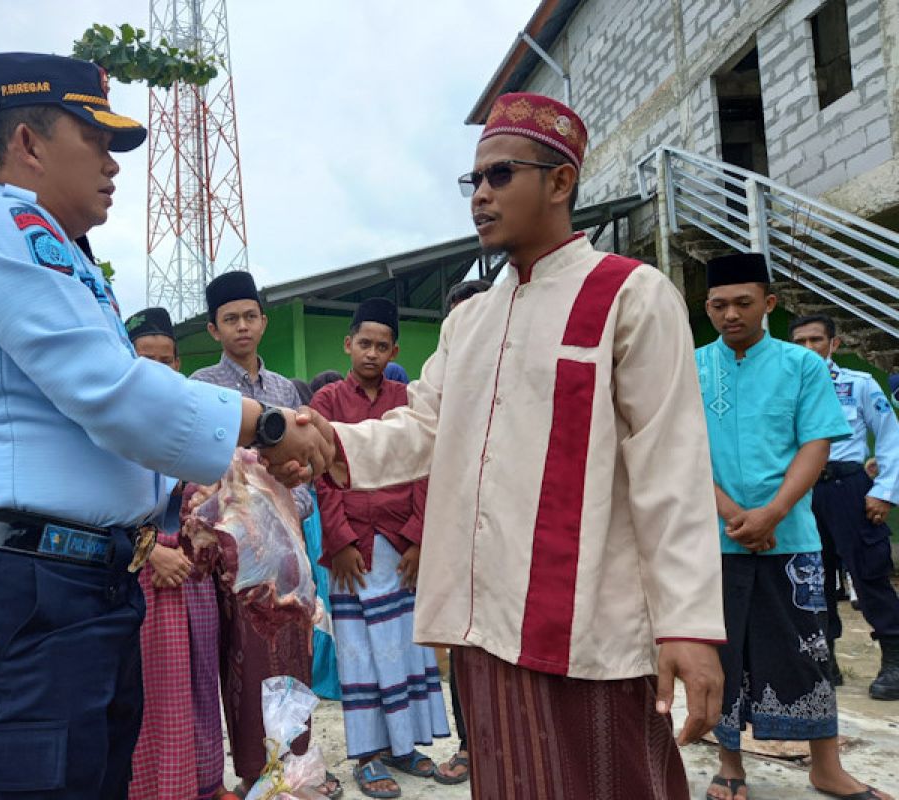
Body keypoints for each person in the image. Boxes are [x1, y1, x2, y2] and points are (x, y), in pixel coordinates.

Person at [0, 52, 332, 800]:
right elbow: (113, 395)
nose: (113, 165)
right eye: (95, 139)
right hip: (21, 589)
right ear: (28, 141)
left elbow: (118, 428)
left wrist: (241, 466)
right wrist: (268, 427)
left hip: (70, 584)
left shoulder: (63, 253)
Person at [308, 92, 727, 800]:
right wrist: (323, 442)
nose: (480, 196)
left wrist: (687, 623)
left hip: (589, 624)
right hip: (482, 623)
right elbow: (422, 431)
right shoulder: (469, 321)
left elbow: (671, 468)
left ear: (560, 182)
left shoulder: (630, 295)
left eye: (501, 175)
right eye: (473, 181)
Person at [697, 254, 890, 800]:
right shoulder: (689, 367)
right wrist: (731, 513)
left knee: (808, 650)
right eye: (718, 305)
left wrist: (774, 512)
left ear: (769, 304)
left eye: (743, 302)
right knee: (723, 655)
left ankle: (824, 767)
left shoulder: (801, 366)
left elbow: (818, 442)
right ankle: (729, 764)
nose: (731, 314)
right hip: (715, 538)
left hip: (791, 536)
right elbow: (681, 451)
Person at [191, 270, 341, 799]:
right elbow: (203, 482)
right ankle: (258, 773)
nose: (242, 327)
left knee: (294, 658)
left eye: (249, 316)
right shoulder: (202, 391)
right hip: (237, 564)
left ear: (263, 320)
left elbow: (306, 479)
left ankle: (296, 768)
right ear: (213, 330)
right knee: (243, 662)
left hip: (289, 557)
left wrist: (290, 501)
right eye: (230, 320)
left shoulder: (285, 391)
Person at [311, 298, 449, 798]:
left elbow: (426, 467)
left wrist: (416, 538)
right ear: (348, 345)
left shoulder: (409, 400)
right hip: (352, 549)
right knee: (360, 652)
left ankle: (405, 747)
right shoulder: (325, 402)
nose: (371, 353)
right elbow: (321, 478)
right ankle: (369, 755)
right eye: (363, 344)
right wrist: (341, 542)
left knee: (406, 650)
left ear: (395, 349)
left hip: (399, 544)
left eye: (381, 345)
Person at [122, 307, 225, 800]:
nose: (159, 371)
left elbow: (217, 493)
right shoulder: (111, 422)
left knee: (202, 684)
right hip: (140, 574)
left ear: (180, 364)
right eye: (148, 360)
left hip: (194, 573)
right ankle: (153, 790)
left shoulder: (198, 421)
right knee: (151, 693)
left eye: (168, 360)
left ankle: (202, 784)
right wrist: (149, 552)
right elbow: (102, 507)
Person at [790, 314, 899, 701]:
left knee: (869, 574)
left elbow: (890, 439)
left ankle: (893, 661)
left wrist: (884, 491)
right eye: (799, 342)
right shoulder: (783, 387)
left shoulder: (859, 385)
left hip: (849, 489)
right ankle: (824, 661)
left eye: (816, 340)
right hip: (802, 492)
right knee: (811, 580)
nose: (808, 349)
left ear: (833, 344)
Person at [431, 277, 491, 788]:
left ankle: (505, 748)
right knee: (464, 652)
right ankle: (471, 746)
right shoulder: (441, 392)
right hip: (457, 543)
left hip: (517, 547)